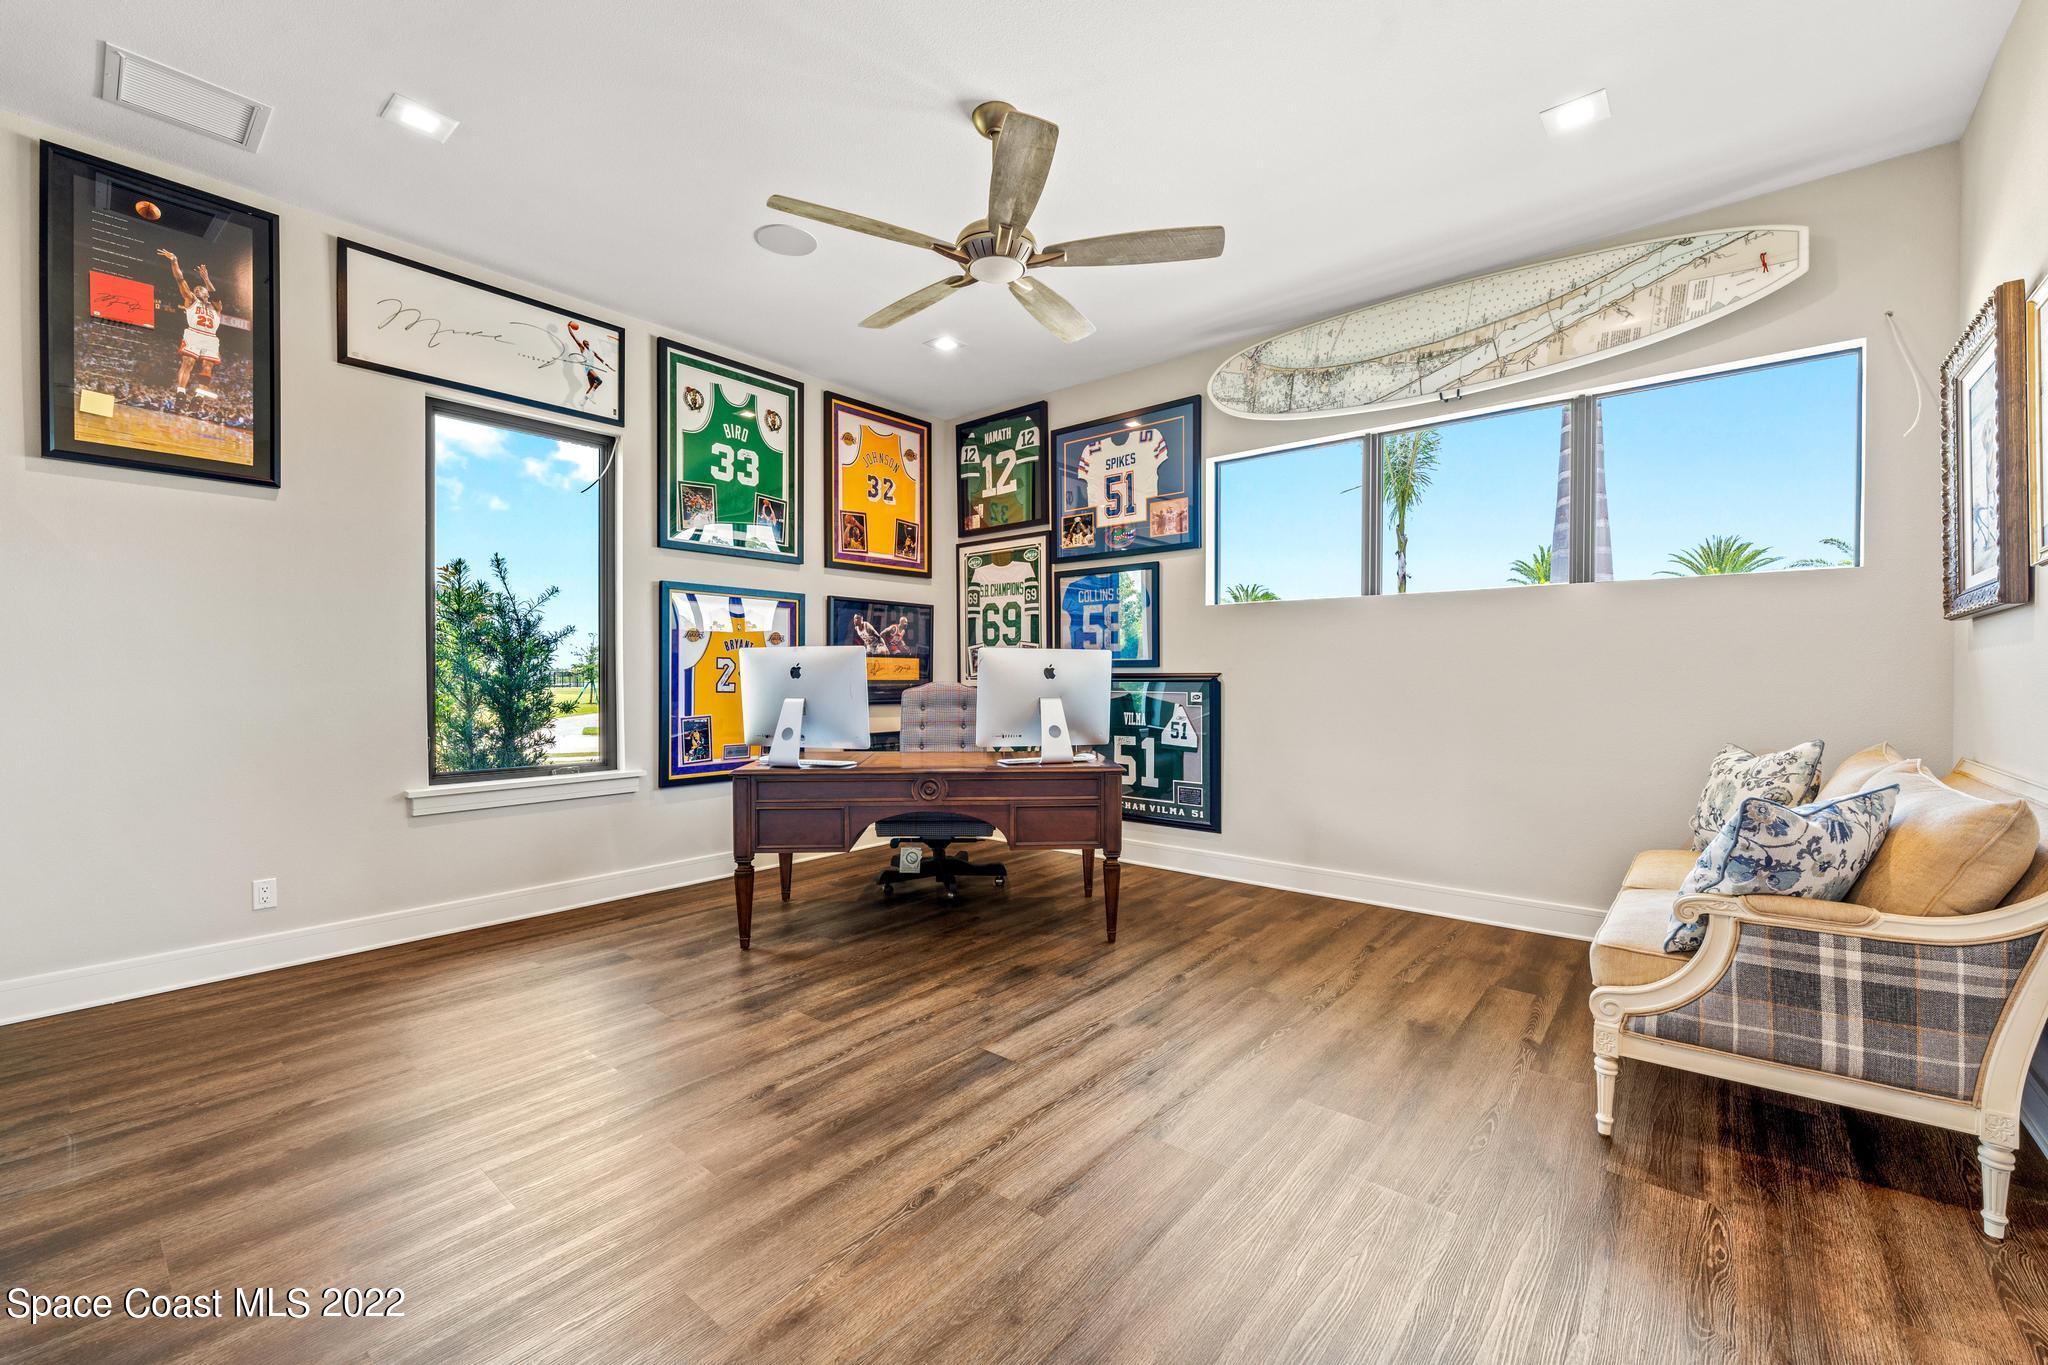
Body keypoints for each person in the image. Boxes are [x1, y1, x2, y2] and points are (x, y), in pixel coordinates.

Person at [157, 249, 224, 406]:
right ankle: (181, 393)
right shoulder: (192, 300)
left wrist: (206, 278)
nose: (196, 290)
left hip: (211, 337)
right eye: (195, 290)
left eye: (199, 289)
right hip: (194, 333)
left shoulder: (216, 306)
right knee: (188, 363)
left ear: (206, 292)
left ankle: (199, 397)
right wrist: (174, 261)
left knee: (207, 367)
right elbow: (180, 279)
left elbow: (216, 295)